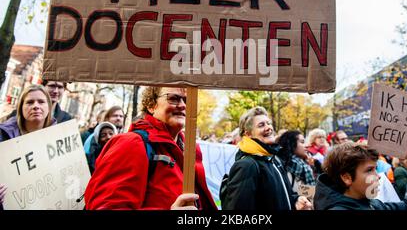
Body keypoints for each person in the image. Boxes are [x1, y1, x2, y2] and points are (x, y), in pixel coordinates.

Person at [84, 86, 216, 210]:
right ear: (151, 105)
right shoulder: (131, 144)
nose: (182, 105)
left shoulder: (188, 149)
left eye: (187, 100)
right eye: (173, 98)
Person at [221, 107, 312, 210]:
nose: (269, 127)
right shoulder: (247, 165)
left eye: (269, 123)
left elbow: (282, 196)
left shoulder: (274, 160)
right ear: (248, 134)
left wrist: (296, 200)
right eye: (261, 125)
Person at [314, 142, 407, 210]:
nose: (378, 176)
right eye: (369, 170)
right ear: (346, 178)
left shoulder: (372, 204)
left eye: (376, 168)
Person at [0, 84, 56, 208]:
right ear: (21, 107)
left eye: (41, 102)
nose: (36, 106)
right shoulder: (2, 136)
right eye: (30, 102)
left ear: (49, 107)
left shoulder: (58, 138)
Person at [6, 80, 72, 123]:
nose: (55, 91)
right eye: (52, 86)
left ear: (64, 90)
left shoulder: (66, 119)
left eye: (60, 87)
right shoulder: (19, 114)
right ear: (43, 87)